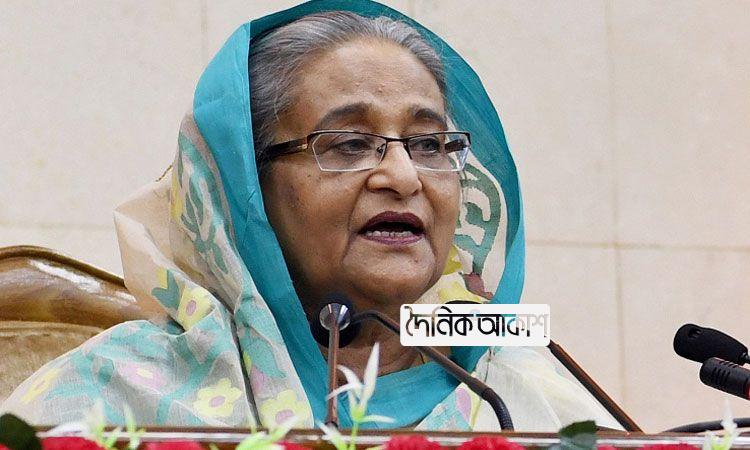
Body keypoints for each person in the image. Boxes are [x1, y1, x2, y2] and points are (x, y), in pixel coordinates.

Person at [1, 0, 621, 431]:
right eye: (348, 144)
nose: (404, 177)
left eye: (430, 144)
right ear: (246, 191)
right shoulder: (115, 397)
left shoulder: (528, 396)